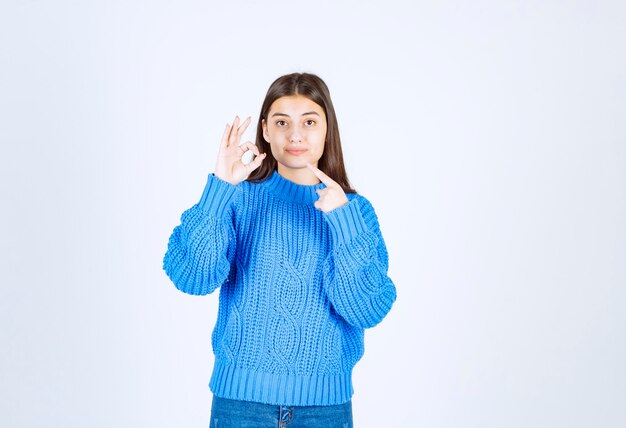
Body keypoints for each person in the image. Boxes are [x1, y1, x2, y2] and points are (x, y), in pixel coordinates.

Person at [163, 72, 397, 428]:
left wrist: (344, 223)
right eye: (282, 122)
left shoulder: (356, 212)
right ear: (266, 131)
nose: (296, 134)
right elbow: (191, 277)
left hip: (325, 410)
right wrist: (220, 188)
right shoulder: (238, 197)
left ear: (327, 129)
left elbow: (366, 309)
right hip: (241, 405)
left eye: (309, 121)